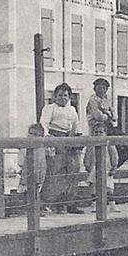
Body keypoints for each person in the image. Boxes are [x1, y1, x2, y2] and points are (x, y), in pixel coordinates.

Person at [39, 82, 83, 214]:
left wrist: (77, 136)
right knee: (56, 171)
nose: (62, 98)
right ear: (55, 96)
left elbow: (76, 124)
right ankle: (53, 203)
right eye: (60, 95)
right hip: (56, 139)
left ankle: (70, 202)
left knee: (73, 170)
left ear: (69, 97)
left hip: (70, 140)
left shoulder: (72, 109)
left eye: (65, 95)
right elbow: (44, 124)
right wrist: (49, 137)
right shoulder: (49, 108)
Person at [83, 121, 120, 212]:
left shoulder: (109, 144)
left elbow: (114, 156)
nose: (98, 134)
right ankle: (95, 204)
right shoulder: (91, 144)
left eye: (101, 132)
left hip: (107, 168)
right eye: (96, 132)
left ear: (105, 133)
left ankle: (112, 205)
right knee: (94, 187)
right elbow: (87, 156)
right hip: (94, 168)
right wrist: (87, 165)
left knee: (109, 188)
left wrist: (114, 167)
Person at [17, 122, 48, 199]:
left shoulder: (44, 150)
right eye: (30, 133)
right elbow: (20, 163)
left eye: (35, 134)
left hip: (40, 179)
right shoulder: (24, 149)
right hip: (26, 180)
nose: (32, 136)